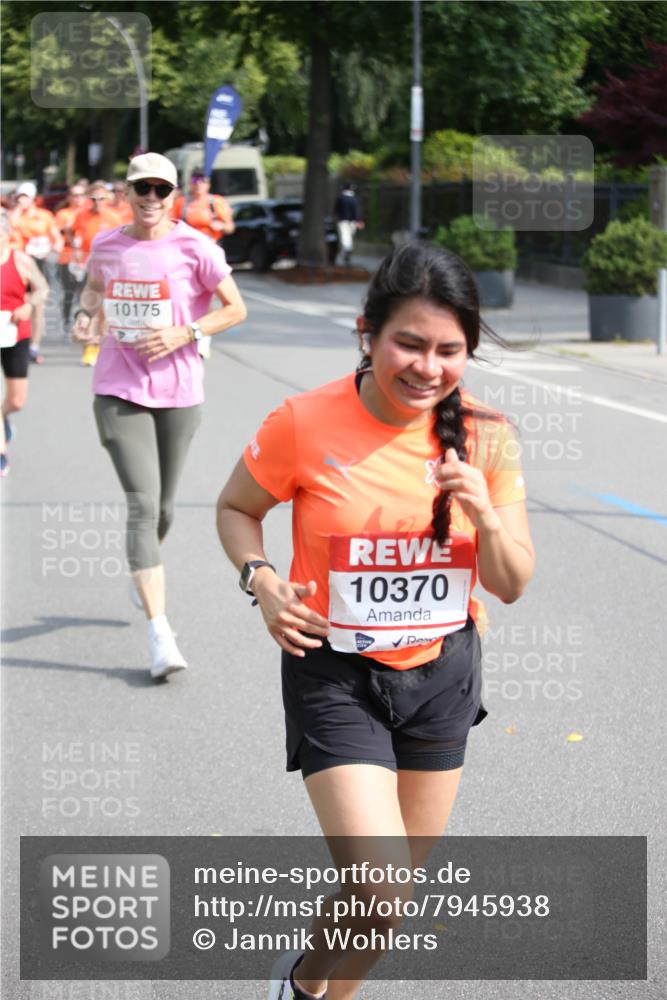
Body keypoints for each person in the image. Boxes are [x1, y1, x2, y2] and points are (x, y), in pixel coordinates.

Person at [216, 242, 534, 1000]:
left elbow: (512, 582)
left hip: (441, 675)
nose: (428, 366)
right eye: (410, 343)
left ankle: (307, 990)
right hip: (336, 673)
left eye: (449, 349)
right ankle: (300, 983)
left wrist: (484, 516)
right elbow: (236, 509)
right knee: (382, 891)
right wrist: (260, 579)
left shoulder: (486, 434)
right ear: (367, 333)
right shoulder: (303, 421)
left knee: (381, 913)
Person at [72, 152, 246, 680]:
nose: (150, 199)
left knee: (165, 508)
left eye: (160, 190)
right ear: (126, 193)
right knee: (143, 505)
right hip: (117, 389)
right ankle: (160, 632)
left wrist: (186, 332)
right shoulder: (106, 243)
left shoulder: (195, 246)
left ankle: (143, 563)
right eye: (140, 189)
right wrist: (84, 318)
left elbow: (234, 308)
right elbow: (94, 291)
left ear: (173, 196)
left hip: (179, 389)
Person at [0, 209, 49, 476]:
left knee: (16, 401)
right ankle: (1, 453)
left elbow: (42, 288)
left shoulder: (21, 261)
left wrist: (27, 306)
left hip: (14, 333)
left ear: (7, 234)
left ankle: (3, 417)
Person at [172, 173, 236, 360]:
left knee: (211, 298)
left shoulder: (215, 202)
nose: (198, 185)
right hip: (185, 255)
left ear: (208, 184)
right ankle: (185, 333)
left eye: (202, 181)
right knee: (186, 296)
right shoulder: (183, 203)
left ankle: (203, 340)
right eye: (195, 182)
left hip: (210, 255)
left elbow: (230, 227)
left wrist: (220, 225)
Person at [9, 181, 63, 363]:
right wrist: (16, 210)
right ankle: (14, 342)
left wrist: (53, 247)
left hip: (38, 263)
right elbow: (7, 231)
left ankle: (33, 346)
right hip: (17, 265)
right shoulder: (13, 216)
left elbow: (56, 238)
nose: (22, 200)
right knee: (14, 305)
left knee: (37, 306)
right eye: (19, 197)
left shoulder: (45, 216)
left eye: (25, 197)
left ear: (33, 199)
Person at [70, 181, 121, 366]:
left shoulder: (114, 217)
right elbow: (73, 234)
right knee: (89, 307)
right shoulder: (81, 215)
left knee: (105, 310)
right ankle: (89, 348)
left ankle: (101, 344)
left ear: (106, 199)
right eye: (93, 198)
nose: (97, 202)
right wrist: (75, 252)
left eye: (101, 198)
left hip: (106, 269)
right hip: (85, 266)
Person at [54, 184, 89, 335]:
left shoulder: (88, 213)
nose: (77, 198)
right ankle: (66, 320)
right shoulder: (63, 214)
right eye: (74, 195)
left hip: (85, 257)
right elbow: (59, 233)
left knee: (85, 291)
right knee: (68, 291)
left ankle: (82, 321)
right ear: (69, 197)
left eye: (81, 195)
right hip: (67, 256)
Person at [334, 183, 364, 267]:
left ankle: (347, 250)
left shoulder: (340, 198)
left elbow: (336, 210)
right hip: (353, 222)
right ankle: (348, 251)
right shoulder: (355, 199)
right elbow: (358, 211)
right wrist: (359, 221)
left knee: (345, 237)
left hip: (342, 221)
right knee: (349, 237)